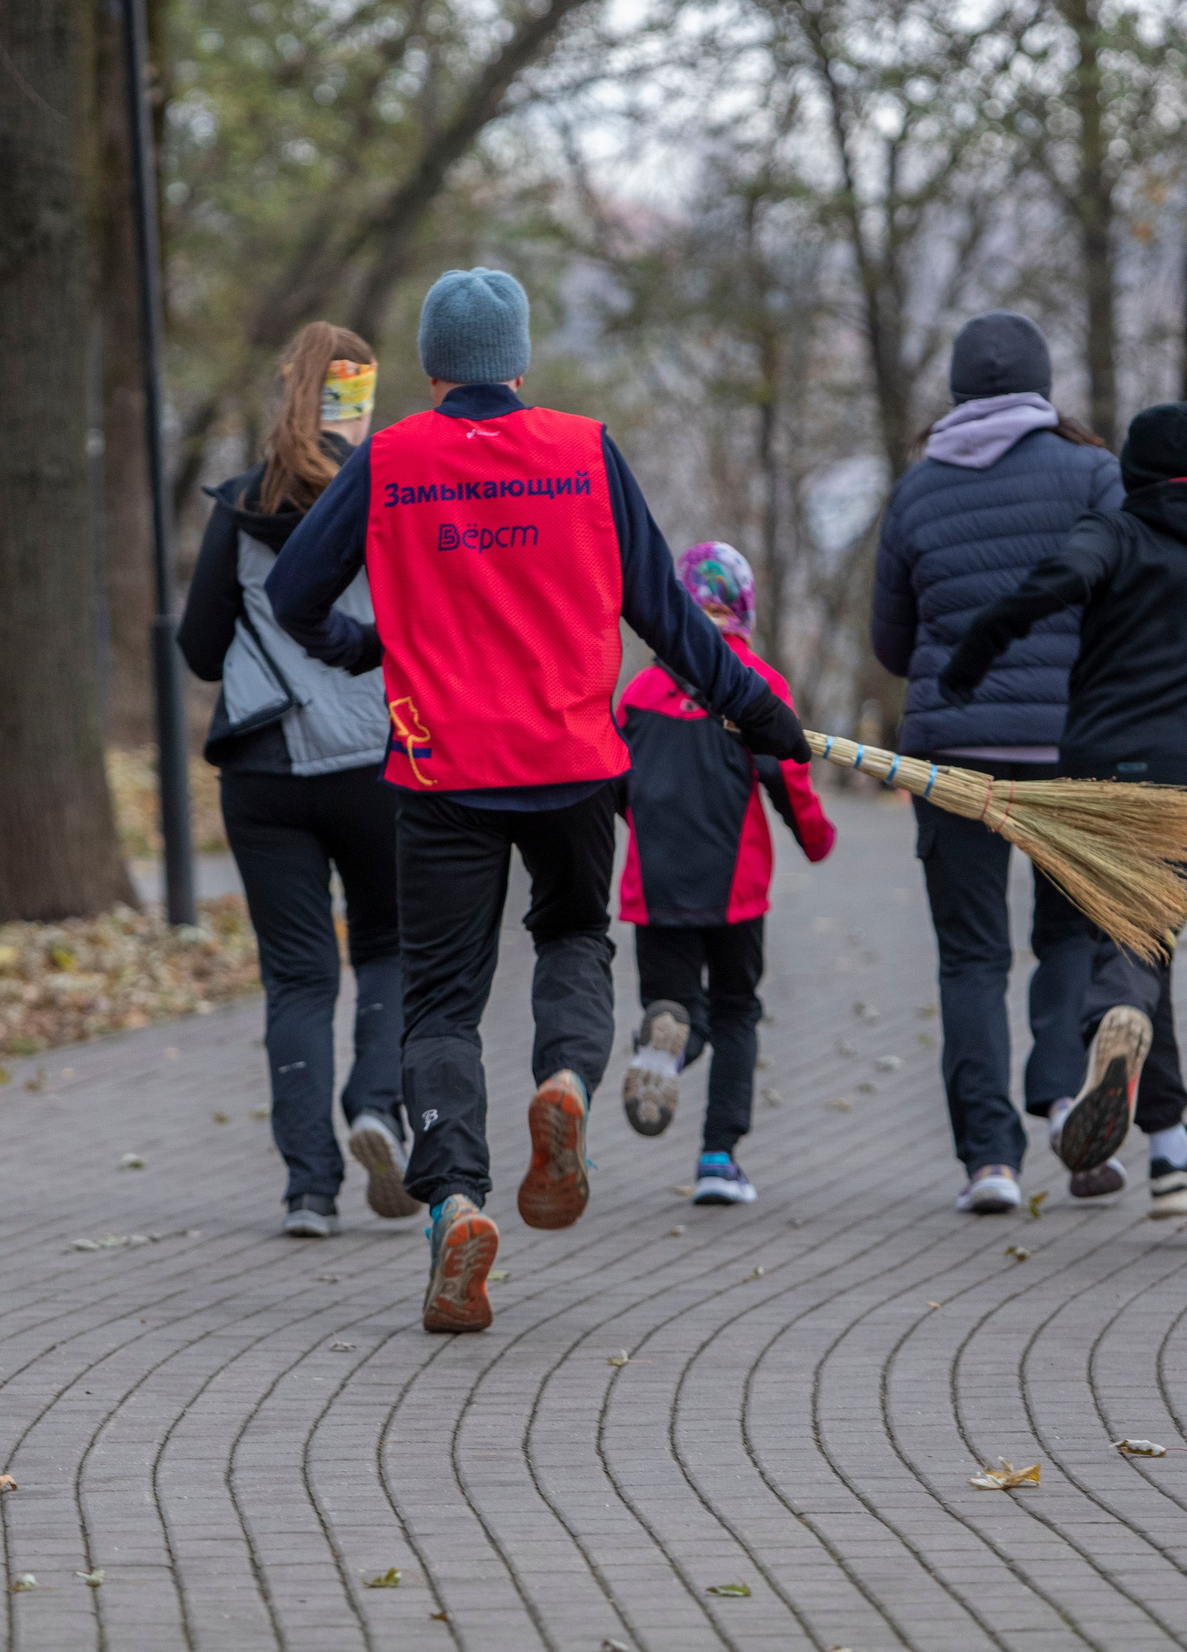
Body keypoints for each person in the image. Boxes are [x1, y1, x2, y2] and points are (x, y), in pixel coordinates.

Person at [269, 268, 812, 1332]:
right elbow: (667, 615)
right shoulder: (583, 450)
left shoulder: (390, 459)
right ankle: (562, 1085)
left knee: (439, 1003)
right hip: (571, 762)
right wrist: (756, 710)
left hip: (441, 774)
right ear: (516, 361)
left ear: (432, 366)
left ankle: (461, 1200)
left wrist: (366, 648)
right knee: (573, 940)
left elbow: (292, 594)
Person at [938, 401, 1187, 1218]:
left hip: (1096, 777)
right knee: (1141, 943)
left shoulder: (1118, 534)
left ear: (1135, 472)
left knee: (1130, 945)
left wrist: (973, 655)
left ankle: (1173, 1149)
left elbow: (1059, 580)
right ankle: (1167, 1133)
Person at [872, 312, 1121, 1215]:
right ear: (1044, 389)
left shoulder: (917, 491)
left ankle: (989, 1162)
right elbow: (1125, 609)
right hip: (1070, 748)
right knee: (1070, 937)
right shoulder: (1097, 473)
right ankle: (1064, 1098)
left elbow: (891, 645)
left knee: (971, 958)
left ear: (956, 392)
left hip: (953, 757)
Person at [178, 323, 408, 1239]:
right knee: (391, 948)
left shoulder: (239, 506)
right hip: (375, 761)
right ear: (361, 397)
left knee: (300, 980)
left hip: (265, 770)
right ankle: (376, 1107)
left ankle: (308, 1189)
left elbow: (200, 652)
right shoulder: (389, 497)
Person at [613, 541, 836, 1207]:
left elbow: (616, 784)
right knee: (737, 1012)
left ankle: (663, 1048)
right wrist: (817, 839)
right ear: (744, 607)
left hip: (653, 888)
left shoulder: (639, 693)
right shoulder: (755, 684)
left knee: (677, 1005)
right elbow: (787, 776)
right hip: (735, 888)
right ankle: (717, 1156)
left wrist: (643, 834)